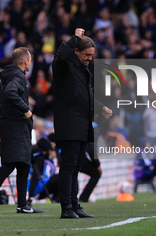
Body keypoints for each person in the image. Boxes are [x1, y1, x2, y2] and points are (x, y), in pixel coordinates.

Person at [52, 28, 112, 219]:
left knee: (77, 166)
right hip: (69, 123)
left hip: (82, 124)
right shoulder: (64, 66)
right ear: (76, 51)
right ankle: (66, 208)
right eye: (87, 54)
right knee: (69, 166)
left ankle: (75, 205)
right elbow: (61, 56)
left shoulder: (82, 70)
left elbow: (87, 96)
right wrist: (75, 37)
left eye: (92, 55)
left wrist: (100, 106)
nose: (90, 59)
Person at [0, 47, 43, 214]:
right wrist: (25, 110)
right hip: (16, 128)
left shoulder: (7, 77)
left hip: (15, 126)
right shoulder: (17, 76)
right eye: (30, 60)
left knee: (23, 164)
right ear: (25, 61)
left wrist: (10, 113)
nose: (30, 62)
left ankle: (23, 204)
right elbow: (9, 94)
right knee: (10, 164)